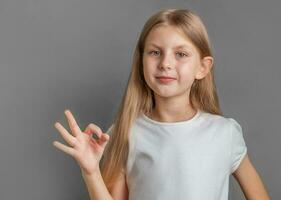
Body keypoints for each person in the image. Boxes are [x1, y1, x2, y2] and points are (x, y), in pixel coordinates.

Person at [53, 8, 270, 200]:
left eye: (181, 54)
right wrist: (91, 172)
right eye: (155, 52)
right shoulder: (124, 133)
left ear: (202, 68)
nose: (165, 63)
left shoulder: (225, 133)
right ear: (141, 62)